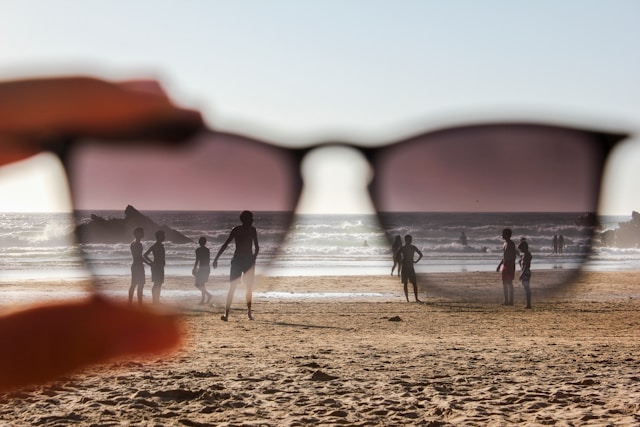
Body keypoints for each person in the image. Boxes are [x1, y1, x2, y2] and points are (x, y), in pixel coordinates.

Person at [0, 76, 203, 392]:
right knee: (139, 288)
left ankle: (140, 305)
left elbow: (149, 252)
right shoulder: (139, 242)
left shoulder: (142, 240)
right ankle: (136, 307)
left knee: (145, 289)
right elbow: (145, 254)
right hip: (142, 268)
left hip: (148, 268)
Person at [213, 211, 260, 321]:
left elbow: (257, 247)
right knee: (238, 287)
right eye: (250, 219)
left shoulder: (244, 230)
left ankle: (247, 312)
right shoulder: (245, 230)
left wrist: (254, 257)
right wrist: (216, 258)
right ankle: (229, 314)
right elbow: (226, 244)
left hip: (241, 261)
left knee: (243, 287)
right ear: (246, 220)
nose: (252, 220)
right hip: (242, 261)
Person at [395, 234, 423, 302]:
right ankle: (415, 299)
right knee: (413, 283)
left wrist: (400, 261)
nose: (410, 241)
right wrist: (416, 261)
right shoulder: (412, 247)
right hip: (410, 266)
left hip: (405, 266)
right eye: (410, 240)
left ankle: (408, 299)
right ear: (410, 240)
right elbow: (421, 255)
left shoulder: (403, 248)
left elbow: (396, 256)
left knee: (407, 283)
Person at [144, 230, 166, 304]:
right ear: (159, 237)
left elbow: (145, 255)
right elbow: (145, 255)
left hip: (159, 266)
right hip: (157, 267)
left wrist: (152, 263)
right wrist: (151, 263)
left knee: (159, 283)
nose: (164, 237)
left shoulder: (159, 245)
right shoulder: (156, 246)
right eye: (163, 236)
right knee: (157, 283)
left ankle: (157, 300)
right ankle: (154, 300)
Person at [496, 228, 517, 306]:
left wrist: (511, 264)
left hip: (510, 264)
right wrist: (500, 265)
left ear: (507, 235)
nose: (502, 235)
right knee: (504, 282)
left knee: (509, 282)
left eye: (503, 234)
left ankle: (511, 301)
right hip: (505, 264)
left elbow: (513, 255)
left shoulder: (511, 244)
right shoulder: (505, 243)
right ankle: (506, 300)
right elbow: (504, 256)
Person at [129, 227, 147, 305]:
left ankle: (130, 302)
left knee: (133, 284)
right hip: (138, 266)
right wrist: (150, 263)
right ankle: (140, 303)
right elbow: (139, 257)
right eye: (142, 232)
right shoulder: (138, 244)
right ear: (137, 234)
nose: (143, 233)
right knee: (140, 285)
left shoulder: (132, 243)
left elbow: (138, 256)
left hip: (135, 265)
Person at [192, 236, 213, 305]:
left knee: (198, 284)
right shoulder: (207, 250)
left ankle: (206, 297)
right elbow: (208, 260)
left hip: (202, 268)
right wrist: (208, 269)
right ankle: (206, 297)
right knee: (201, 284)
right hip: (206, 268)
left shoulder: (198, 250)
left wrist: (194, 268)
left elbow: (197, 260)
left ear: (200, 242)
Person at [518, 239, 533, 309]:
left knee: (527, 289)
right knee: (526, 288)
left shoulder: (527, 255)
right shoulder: (525, 254)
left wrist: (522, 274)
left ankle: (528, 304)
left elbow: (526, 265)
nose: (521, 250)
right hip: (526, 272)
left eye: (521, 249)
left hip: (526, 272)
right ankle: (528, 303)